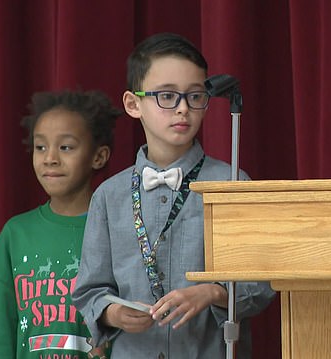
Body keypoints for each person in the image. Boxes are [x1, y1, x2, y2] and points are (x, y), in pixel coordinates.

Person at [71, 32, 275, 359]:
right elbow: (90, 291)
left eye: (195, 96)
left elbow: (262, 285)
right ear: (132, 104)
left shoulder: (231, 182)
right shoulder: (108, 195)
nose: (182, 109)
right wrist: (112, 313)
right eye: (167, 96)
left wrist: (211, 293)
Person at [0, 90, 121, 358]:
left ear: (98, 157)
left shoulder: (120, 232)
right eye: (41, 147)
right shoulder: (16, 235)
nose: (50, 158)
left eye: (65, 147)